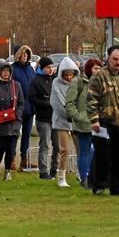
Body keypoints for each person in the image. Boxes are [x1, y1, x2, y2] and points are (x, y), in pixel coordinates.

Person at [87, 45, 119, 196]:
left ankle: (117, 186)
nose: (118, 62)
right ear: (108, 59)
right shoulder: (99, 76)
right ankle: (99, 185)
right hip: (102, 122)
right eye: (115, 59)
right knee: (102, 154)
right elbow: (91, 100)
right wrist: (94, 121)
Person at [66, 57, 94, 189]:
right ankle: (84, 177)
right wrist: (79, 116)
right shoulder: (78, 82)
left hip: (100, 123)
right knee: (84, 151)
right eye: (95, 68)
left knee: (96, 151)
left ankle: (95, 177)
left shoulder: (102, 82)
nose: (98, 71)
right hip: (83, 124)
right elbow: (69, 103)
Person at [51, 57, 79, 188]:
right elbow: (57, 103)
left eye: (71, 74)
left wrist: (77, 115)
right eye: (66, 74)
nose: (69, 77)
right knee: (64, 149)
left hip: (76, 120)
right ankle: (61, 176)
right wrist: (70, 113)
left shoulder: (77, 83)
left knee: (80, 148)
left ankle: (80, 172)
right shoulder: (56, 83)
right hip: (61, 120)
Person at [29, 57, 59, 179]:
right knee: (45, 144)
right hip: (43, 117)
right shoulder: (36, 81)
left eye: (52, 67)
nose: (50, 69)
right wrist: (47, 103)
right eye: (48, 67)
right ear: (42, 68)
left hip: (56, 117)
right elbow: (32, 97)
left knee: (57, 145)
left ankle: (54, 168)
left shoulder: (55, 80)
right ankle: (43, 170)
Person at [12, 45, 36, 171]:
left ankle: (24, 159)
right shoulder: (13, 69)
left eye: (27, 53)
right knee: (15, 134)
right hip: (18, 107)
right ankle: (11, 159)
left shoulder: (30, 69)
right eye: (22, 53)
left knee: (27, 134)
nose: (25, 55)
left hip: (30, 107)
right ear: (18, 55)